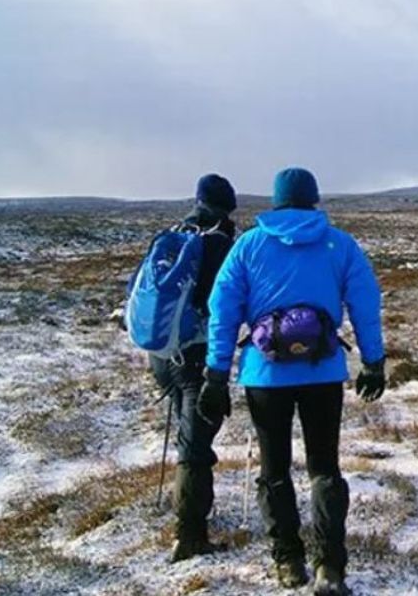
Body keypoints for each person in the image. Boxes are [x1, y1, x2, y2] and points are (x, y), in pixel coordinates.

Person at [198, 167, 386, 595]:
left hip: (264, 377)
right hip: (323, 373)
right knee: (325, 470)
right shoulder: (340, 244)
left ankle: (288, 562)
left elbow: (222, 310)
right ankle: (330, 569)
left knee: (274, 470)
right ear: (314, 199)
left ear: (276, 201)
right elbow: (365, 302)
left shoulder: (247, 246)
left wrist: (215, 373)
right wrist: (373, 362)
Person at [149, 173, 238, 562]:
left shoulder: (170, 234)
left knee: (190, 439)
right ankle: (189, 535)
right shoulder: (219, 242)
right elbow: (227, 298)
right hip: (198, 356)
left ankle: (190, 518)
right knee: (196, 447)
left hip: (162, 354)